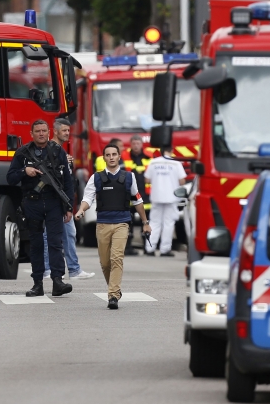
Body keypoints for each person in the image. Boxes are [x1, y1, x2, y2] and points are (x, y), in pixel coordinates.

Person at [74, 144, 150, 309]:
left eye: (114, 154)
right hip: (102, 224)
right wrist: (81, 210)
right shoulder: (96, 177)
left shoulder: (129, 177)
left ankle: (113, 295)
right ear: (104, 158)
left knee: (116, 259)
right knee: (105, 263)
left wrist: (145, 223)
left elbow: (138, 200)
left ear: (119, 156)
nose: (111, 157)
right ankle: (114, 288)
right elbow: (88, 198)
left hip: (122, 223)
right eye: (108, 155)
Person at [6, 120, 75, 298]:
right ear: (32, 133)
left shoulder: (58, 151)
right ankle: (37, 283)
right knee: (36, 244)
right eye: (38, 131)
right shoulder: (23, 153)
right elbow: (10, 177)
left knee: (55, 242)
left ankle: (57, 281)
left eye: (44, 131)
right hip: (32, 202)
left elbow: (67, 181)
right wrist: (24, 171)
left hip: (53, 202)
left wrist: (69, 207)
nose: (41, 134)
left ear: (49, 132)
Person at [42, 118, 94, 282]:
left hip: (63, 202)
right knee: (47, 235)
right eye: (64, 130)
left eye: (68, 130)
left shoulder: (62, 152)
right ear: (55, 131)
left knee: (69, 234)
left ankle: (74, 269)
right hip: (51, 201)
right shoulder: (49, 149)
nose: (67, 133)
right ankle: (47, 269)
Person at [144, 147, 188, 257]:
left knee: (154, 222)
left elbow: (147, 179)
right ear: (171, 151)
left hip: (156, 196)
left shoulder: (153, 163)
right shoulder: (176, 163)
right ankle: (165, 249)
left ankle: (150, 248)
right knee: (168, 223)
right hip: (171, 197)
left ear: (160, 151)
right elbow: (182, 181)